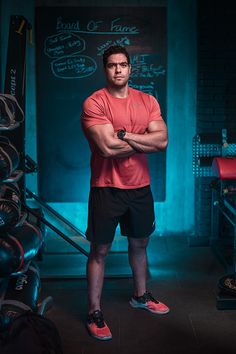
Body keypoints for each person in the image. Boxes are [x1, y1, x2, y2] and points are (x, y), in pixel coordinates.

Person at [81, 45, 169, 341]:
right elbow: (106, 149)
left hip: (140, 187)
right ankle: (94, 311)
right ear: (104, 69)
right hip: (106, 189)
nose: (118, 69)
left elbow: (163, 141)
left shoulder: (147, 101)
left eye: (122, 64)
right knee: (100, 250)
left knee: (140, 244)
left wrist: (124, 135)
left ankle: (140, 296)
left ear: (131, 68)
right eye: (111, 65)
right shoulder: (95, 103)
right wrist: (146, 140)